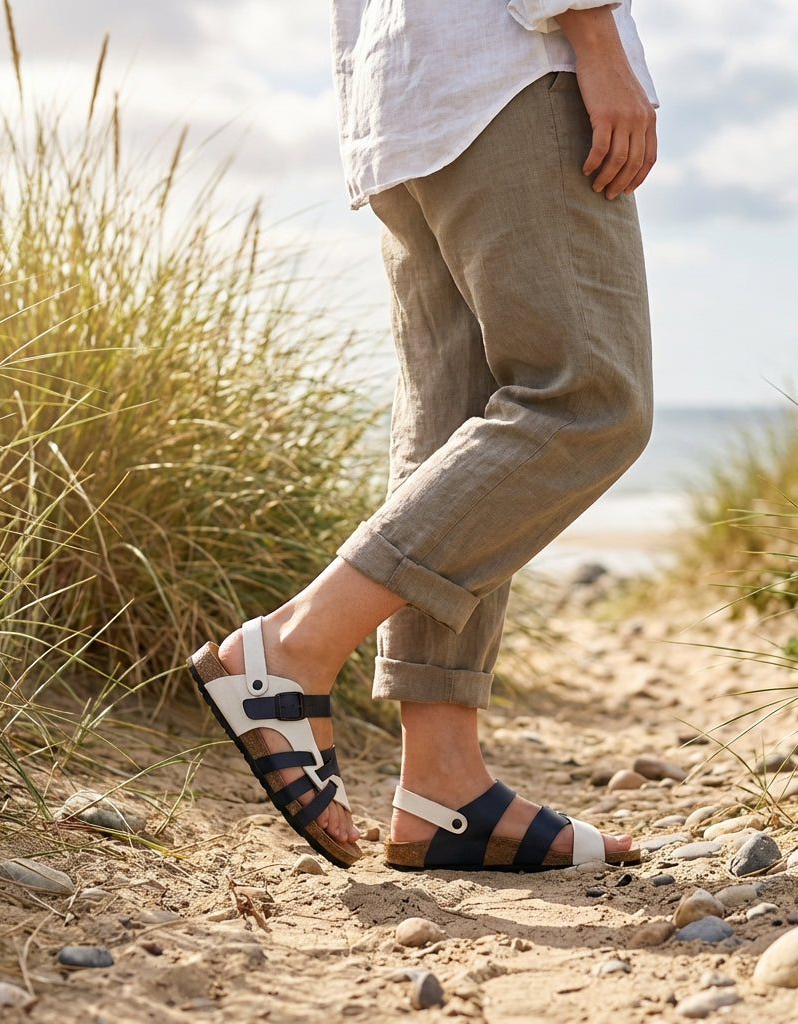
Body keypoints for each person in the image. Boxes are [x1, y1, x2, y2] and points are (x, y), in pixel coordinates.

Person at [188, 0, 658, 873]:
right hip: (514, 64)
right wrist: (593, 34)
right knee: (589, 400)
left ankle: (445, 783)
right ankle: (292, 647)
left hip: (407, 91)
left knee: (459, 421)